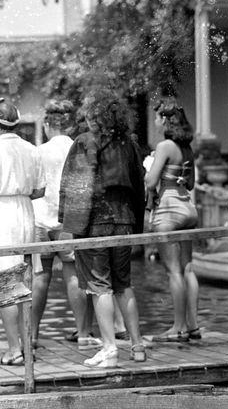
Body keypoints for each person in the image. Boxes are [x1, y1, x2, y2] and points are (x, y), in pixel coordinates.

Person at [59, 89, 146, 367]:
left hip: (93, 222)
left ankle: (109, 348)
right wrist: (138, 227)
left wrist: (68, 225)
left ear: (93, 114)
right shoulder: (129, 144)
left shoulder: (84, 142)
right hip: (124, 221)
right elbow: (139, 187)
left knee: (99, 286)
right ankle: (137, 346)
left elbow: (74, 188)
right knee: (123, 284)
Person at [0, 97, 45, 366]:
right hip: (25, 213)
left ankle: (14, 349)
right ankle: (27, 345)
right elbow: (40, 190)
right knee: (25, 283)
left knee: (4, 284)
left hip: (1, 217)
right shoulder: (31, 148)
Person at [30, 99, 101, 350]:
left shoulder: (38, 151)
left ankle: (33, 336)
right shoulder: (77, 148)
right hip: (68, 220)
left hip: (39, 220)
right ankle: (83, 333)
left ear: (48, 124)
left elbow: (33, 187)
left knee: (39, 278)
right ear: (69, 125)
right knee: (74, 276)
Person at [145, 99, 200, 342]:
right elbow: (190, 183)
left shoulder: (165, 146)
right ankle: (193, 325)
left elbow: (150, 182)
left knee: (173, 271)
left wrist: (149, 166)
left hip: (168, 210)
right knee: (188, 268)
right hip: (188, 207)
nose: (155, 122)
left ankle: (178, 327)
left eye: (157, 117)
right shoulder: (187, 148)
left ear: (165, 120)